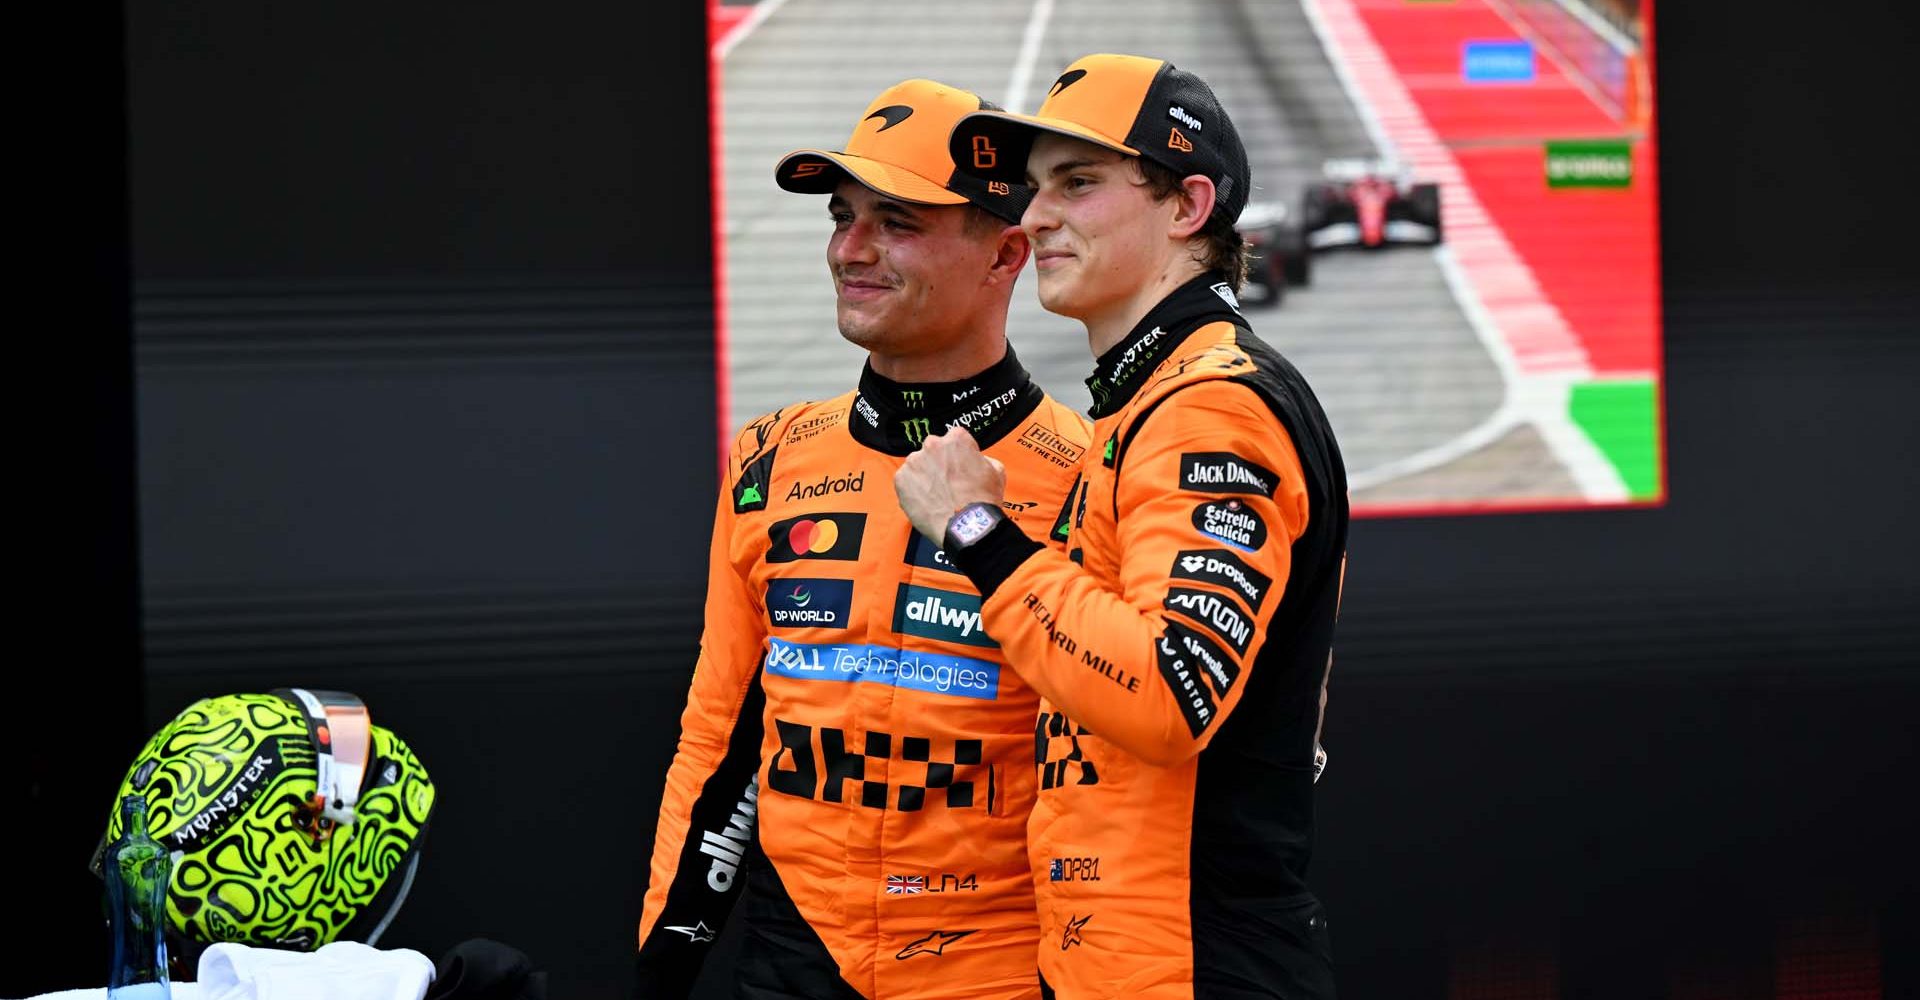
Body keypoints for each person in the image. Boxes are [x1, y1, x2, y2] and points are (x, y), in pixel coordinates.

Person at [895, 54, 1349, 999]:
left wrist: (976, 530)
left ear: (1187, 208)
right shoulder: (1154, 402)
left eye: (1080, 182)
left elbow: (1162, 694)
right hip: (1143, 955)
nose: (1033, 217)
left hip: (1188, 961)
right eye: (1034, 188)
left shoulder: (1210, 405)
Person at [635, 79, 1093, 1000]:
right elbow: (723, 740)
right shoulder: (770, 454)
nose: (851, 249)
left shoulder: (1087, 473)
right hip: (794, 959)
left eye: (898, 220)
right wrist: (664, 964)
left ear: (1006, 253)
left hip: (1003, 965)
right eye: (843, 218)